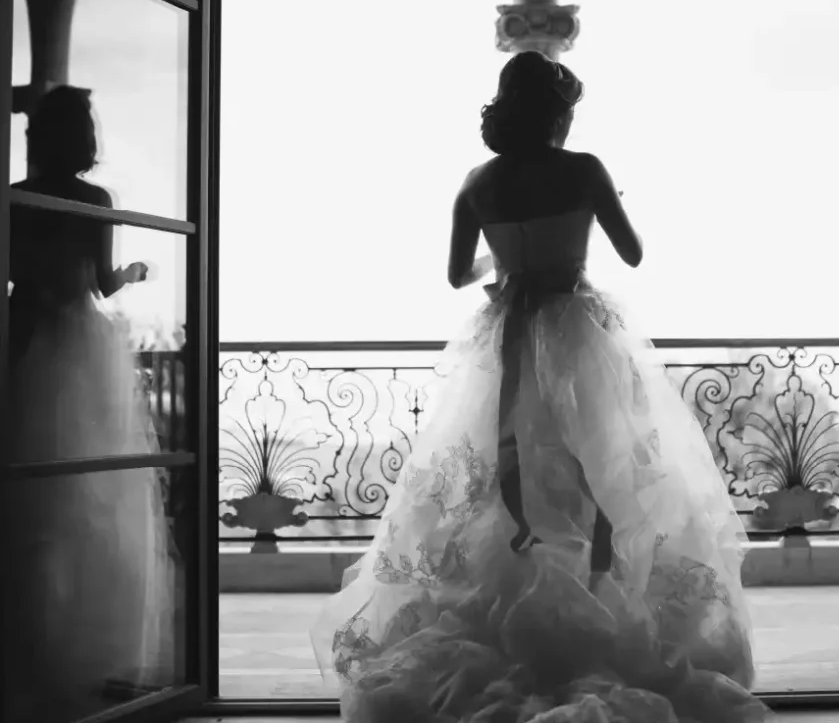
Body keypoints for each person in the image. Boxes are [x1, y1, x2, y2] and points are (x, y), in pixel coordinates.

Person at [311, 51, 766, 723]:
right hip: (579, 335)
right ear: (558, 114)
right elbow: (632, 252)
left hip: (506, 336)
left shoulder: (479, 181)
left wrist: (510, 256)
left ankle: (518, 615)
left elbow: (457, 274)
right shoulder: (583, 170)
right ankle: (592, 608)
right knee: (596, 476)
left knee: (506, 486)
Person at [6, 86, 176, 721]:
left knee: (26, 495)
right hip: (77, 340)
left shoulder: (18, 194)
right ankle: (81, 652)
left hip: (21, 331)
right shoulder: (94, 200)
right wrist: (134, 273)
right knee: (87, 495)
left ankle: (25, 649)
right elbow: (103, 285)